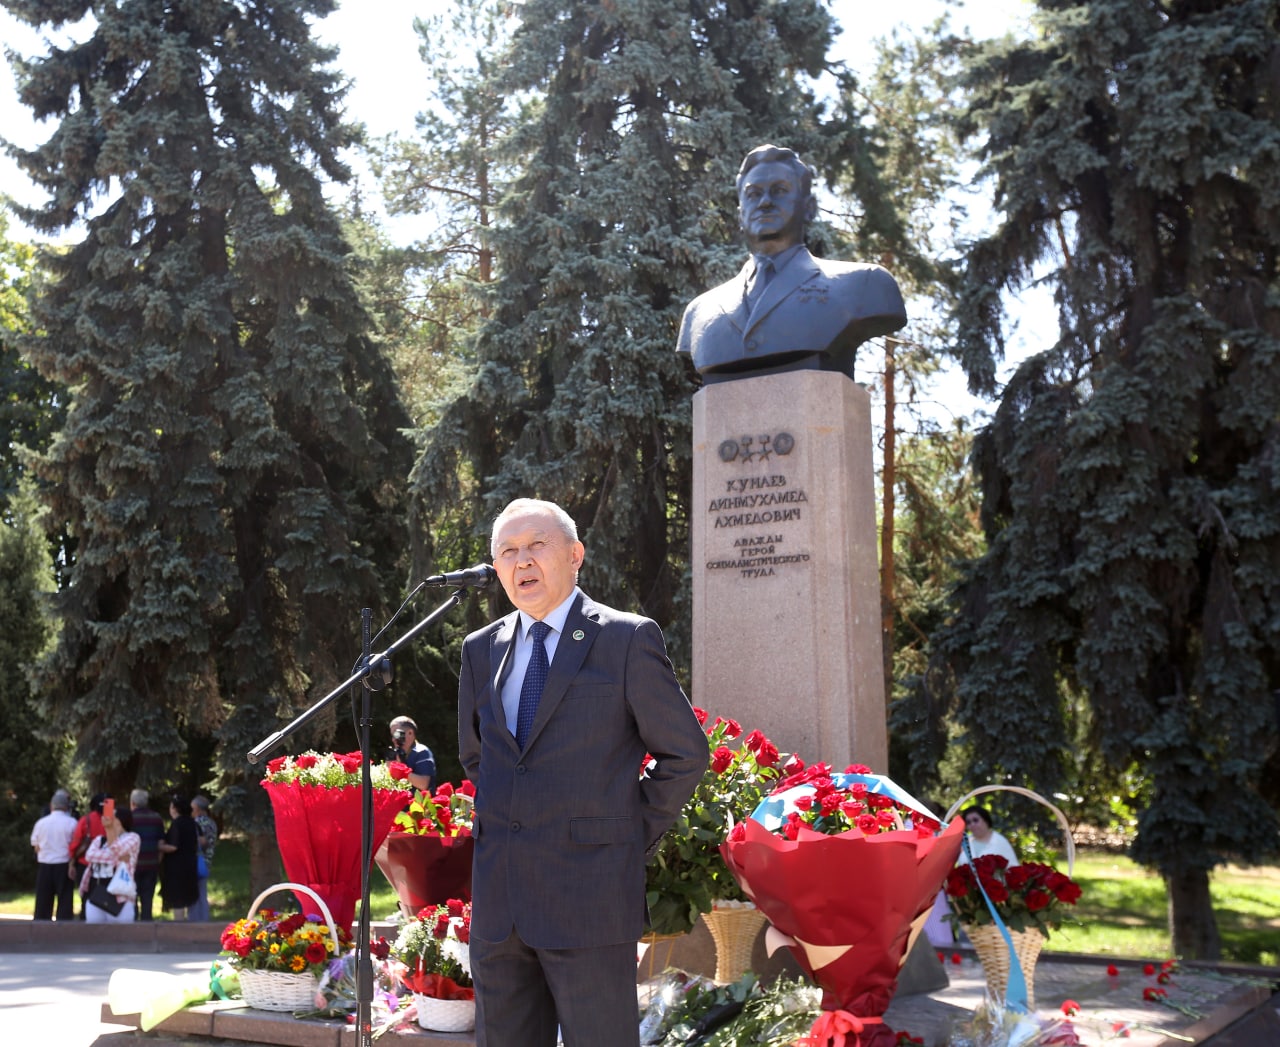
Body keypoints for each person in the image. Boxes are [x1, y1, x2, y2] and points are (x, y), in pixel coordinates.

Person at [459, 497, 708, 1047]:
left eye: (536, 546)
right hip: (501, 907)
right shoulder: (480, 649)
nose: (521, 562)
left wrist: (623, 832)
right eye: (507, 552)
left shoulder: (624, 638)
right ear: (496, 568)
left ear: (575, 555)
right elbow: (482, 759)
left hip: (589, 897)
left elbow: (685, 753)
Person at [677, 143, 907, 384]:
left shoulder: (864, 284)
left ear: (809, 208)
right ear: (739, 215)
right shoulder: (700, 312)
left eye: (779, 190)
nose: (765, 202)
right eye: (753, 194)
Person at [81, 805, 140, 923]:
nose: (107, 818)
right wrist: (118, 858)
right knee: (95, 936)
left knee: (122, 937)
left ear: (120, 820)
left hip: (121, 897)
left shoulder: (133, 838)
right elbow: (89, 855)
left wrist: (109, 831)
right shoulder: (99, 840)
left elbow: (116, 849)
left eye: (112, 816)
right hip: (96, 894)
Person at [31, 789, 77, 921]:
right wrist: (72, 864)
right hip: (64, 864)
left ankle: (41, 927)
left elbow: (36, 845)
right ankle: (64, 928)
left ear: (51, 806)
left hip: (45, 864)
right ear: (66, 807)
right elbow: (75, 845)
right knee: (65, 899)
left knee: (43, 901)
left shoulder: (41, 823)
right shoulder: (72, 822)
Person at [158, 794, 200, 919]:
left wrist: (159, 847)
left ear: (175, 809)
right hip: (190, 864)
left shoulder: (177, 824)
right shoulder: (192, 823)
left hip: (177, 868)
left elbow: (173, 846)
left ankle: (179, 926)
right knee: (186, 897)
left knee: (178, 901)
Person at [68, 792, 107, 919]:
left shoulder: (86, 820)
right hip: (107, 864)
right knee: (105, 896)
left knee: (86, 896)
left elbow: (76, 842)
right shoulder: (113, 820)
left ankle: (86, 920)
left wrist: (72, 862)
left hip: (85, 864)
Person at [129, 789, 165, 921]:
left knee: (131, 896)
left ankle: (134, 924)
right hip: (151, 863)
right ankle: (147, 924)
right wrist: (158, 860)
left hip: (132, 864)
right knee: (147, 897)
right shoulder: (156, 817)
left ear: (133, 803)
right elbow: (161, 841)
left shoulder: (129, 818)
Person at [389, 715, 436, 793]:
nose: (393, 739)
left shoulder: (422, 752)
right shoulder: (396, 753)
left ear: (410, 733)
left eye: (396, 734)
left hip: (420, 803)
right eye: (392, 735)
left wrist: (400, 770)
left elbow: (423, 784)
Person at [189, 795, 218, 921]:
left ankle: (196, 922)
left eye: (192, 808)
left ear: (198, 809)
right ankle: (203, 920)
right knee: (202, 893)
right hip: (207, 861)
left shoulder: (198, 823)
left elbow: (201, 842)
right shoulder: (212, 822)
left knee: (195, 895)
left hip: (197, 862)